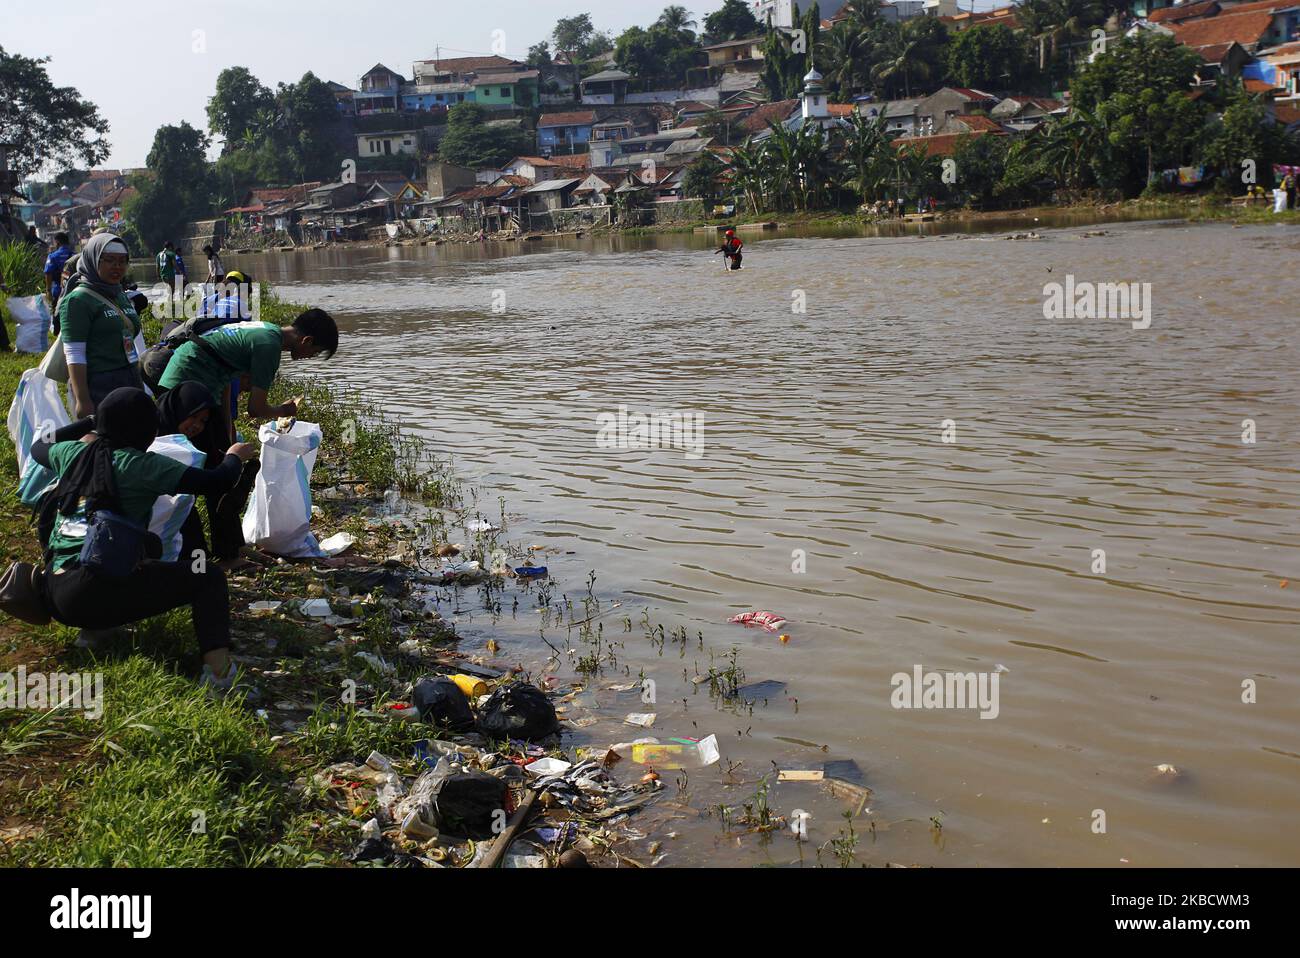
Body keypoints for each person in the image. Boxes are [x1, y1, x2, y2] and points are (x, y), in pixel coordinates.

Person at [29, 387, 257, 691]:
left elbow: (39, 446)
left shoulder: (73, 453)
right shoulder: (142, 465)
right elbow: (217, 482)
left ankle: (95, 633)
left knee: (125, 549)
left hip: (54, 593)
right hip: (91, 591)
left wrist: (90, 422)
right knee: (208, 576)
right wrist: (233, 457)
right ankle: (220, 675)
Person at [155, 309, 337, 557]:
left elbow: (228, 378)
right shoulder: (269, 347)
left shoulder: (266, 329)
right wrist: (285, 409)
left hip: (193, 381)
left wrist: (228, 428)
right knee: (209, 471)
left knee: (219, 459)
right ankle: (223, 554)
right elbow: (256, 409)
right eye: (314, 353)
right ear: (306, 341)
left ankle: (232, 548)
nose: (309, 357)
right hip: (188, 387)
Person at [156, 381, 259, 563]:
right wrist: (233, 459)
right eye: (193, 416)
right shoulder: (154, 437)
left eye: (203, 421)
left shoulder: (198, 441)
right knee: (186, 515)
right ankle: (199, 568)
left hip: (171, 517)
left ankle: (222, 557)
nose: (196, 425)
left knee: (190, 511)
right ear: (179, 411)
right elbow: (215, 480)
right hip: (150, 518)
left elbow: (218, 489)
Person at [57, 233, 144, 417]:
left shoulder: (118, 293)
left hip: (130, 376)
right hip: (101, 383)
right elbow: (74, 353)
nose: (117, 267)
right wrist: (83, 400)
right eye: (110, 260)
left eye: (122, 261)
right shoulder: (78, 300)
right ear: (93, 259)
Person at [43, 232, 75, 309]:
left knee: (57, 316)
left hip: (58, 291)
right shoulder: (75, 255)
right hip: (74, 291)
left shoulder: (52, 256)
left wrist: (48, 291)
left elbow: (48, 273)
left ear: (57, 242)